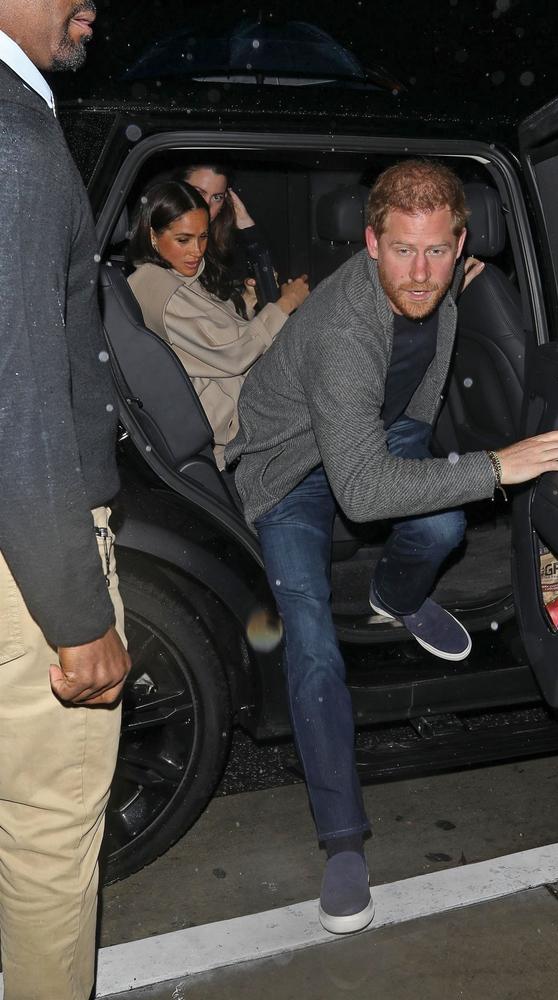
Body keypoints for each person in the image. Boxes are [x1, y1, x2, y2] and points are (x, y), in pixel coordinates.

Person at [225, 159, 558, 935]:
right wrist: (495, 466)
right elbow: (362, 493)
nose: (420, 274)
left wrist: (446, 471)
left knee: (445, 523)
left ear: (461, 244)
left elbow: (411, 415)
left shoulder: (443, 294)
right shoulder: (344, 327)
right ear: (370, 242)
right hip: (291, 475)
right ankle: (344, 843)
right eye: (404, 250)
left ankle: (396, 597)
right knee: (311, 645)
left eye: (438, 251)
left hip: (371, 441)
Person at [0, 3, 131, 999]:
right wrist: (77, 614)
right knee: (48, 830)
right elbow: (18, 397)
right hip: (28, 556)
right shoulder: (15, 139)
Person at [128, 180, 309, 468]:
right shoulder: (159, 288)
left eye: (203, 237)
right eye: (183, 239)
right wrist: (285, 304)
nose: (197, 251)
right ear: (153, 236)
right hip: (231, 430)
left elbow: (214, 335)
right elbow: (234, 352)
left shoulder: (177, 277)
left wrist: (249, 303)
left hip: (242, 409)